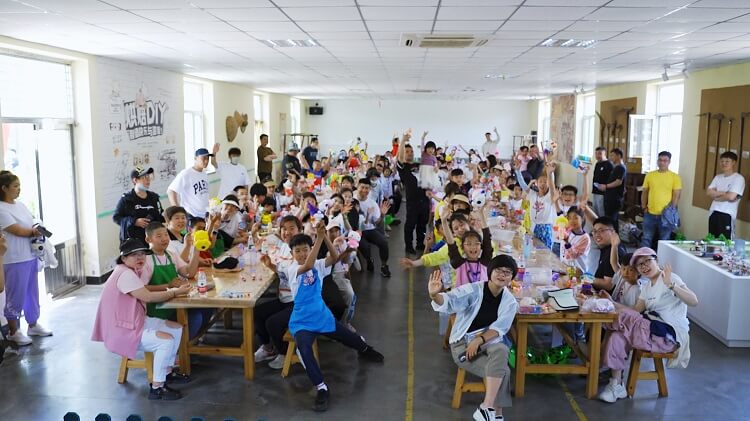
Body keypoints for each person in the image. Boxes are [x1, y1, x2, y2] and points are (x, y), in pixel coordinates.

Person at [279, 227, 384, 412]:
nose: (302, 254)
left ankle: (365, 349)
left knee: (347, 336)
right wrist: (319, 239)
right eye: (298, 251)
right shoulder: (292, 268)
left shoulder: (319, 264)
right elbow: (308, 266)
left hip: (321, 315)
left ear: (310, 248)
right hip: (302, 320)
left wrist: (325, 237)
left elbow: (335, 257)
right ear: (292, 253)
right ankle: (321, 388)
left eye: (305, 249)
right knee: (304, 349)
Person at [91, 238, 192, 401]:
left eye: (142, 254)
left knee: (176, 328)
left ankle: (167, 372)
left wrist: (173, 289)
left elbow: (146, 291)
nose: (140, 258)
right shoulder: (125, 274)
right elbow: (148, 297)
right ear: (124, 258)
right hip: (122, 330)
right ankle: (157, 388)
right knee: (165, 341)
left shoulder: (131, 270)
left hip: (134, 321)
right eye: (134, 255)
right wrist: (175, 292)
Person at [597, 248, 698, 403]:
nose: (644, 266)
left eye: (647, 261)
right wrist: (611, 302)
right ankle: (616, 385)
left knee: (623, 319)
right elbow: (635, 310)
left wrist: (671, 285)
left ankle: (601, 336)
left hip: (669, 335)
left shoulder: (670, 278)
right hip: (650, 331)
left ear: (656, 260)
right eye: (639, 265)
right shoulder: (646, 287)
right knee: (617, 337)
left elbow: (694, 301)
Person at [429, 255, 519, 421]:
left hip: (486, 343)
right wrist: (435, 295)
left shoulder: (510, 302)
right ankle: (497, 415)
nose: (502, 275)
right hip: (462, 345)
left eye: (507, 272)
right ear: (490, 271)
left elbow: (500, 328)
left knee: (501, 348)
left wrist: (479, 340)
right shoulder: (474, 290)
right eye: (498, 270)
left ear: (512, 277)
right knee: (503, 371)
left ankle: (486, 407)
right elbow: (450, 301)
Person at [0, 171, 52, 346]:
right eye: (15, 186)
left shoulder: (20, 205)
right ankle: (13, 331)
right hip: (13, 259)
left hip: (29, 255)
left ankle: (33, 324)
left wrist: (37, 226)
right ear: (4, 188)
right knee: (16, 294)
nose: (19, 189)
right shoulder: (1, 208)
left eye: (19, 185)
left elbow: (31, 222)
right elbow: (17, 230)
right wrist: (34, 231)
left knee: (32, 293)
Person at [397, 133, 430, 254]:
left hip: (424, 199)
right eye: (407, 152)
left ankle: (420, 244)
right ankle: (409, 246)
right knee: (410, 224)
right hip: (413, 202)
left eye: (411, 151)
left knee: (422, 224)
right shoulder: (403, 168)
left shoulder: (418, 165)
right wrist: (403, 141)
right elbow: (399, 158)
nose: (410, 153)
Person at [641, 151, 682, 249]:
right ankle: (644, 257)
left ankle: (662, 258)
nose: (662, 162)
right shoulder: (650, 175)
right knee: (646, 238)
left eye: (665, 160)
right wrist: (643, 207)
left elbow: (676, 195)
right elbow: (645, 192)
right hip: (650, 213)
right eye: (660, 160)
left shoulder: (675, 177)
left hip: (666, 215)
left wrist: (671, 210)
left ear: (669, 162)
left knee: (664, 240)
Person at [113, 166, 165, 244]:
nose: (148, 180)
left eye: (148, 177)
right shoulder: (127, 199)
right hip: (134, 241)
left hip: (152, 240)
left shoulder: (154, 197)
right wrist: (134, 221)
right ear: (135, 180)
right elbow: (116, 218)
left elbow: (159, 216)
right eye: (144, 178)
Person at [355, 178, 392, 277]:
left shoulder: (372, 203)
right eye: (362, 187)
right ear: (357, 186)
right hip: (357, 231)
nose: (364, 190)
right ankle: (369, 259)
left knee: (383, 242)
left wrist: (382, 215)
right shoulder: (352, 200)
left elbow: (377, 223)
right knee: (365, 246)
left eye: (367, 188)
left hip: (370, 229)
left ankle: (384, 266)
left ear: (370, 189)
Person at [707, 151, 745, 238]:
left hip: (727, 214)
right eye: (722, 161)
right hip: (713, 212)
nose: (724, 163)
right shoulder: (718, 177)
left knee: (726, 241)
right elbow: (709, 192)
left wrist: (716, 196)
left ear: (733, 162)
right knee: (712, 240)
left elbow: (731, 197)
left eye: (727, 161)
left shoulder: (738, 178)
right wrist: (724, 193)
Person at [167, 148, 212, 221]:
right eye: (203, 158)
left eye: (207, 158)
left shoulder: (204, 174)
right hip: (191, 216)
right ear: (195, 158)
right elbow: (171, 191)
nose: (206, 161)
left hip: (204, 214)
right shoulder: (186, 173)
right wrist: (177, 211)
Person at [591, 216, 627, 292]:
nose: (597, 234)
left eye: (601, 231)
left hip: (606, 297)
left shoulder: (613, 252)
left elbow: (608, 285)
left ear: (613, 232)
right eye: (594, 231)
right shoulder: (612, 246)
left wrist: (585, 278)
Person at [595, 148, 627, 231]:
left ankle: (611, 236)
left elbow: (618, 182)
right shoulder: (616, 167)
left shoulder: (621, 168)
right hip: (610, 197)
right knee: (612, 220)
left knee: (611, 220)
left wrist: (606, 186)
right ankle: (611, 235)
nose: (610, 157)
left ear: (618, 156)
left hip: (614, 199)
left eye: (612, 155)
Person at [591, 146, 613, 219]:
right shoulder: (597, 163)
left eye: (600, 153)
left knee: (601, 212)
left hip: (603, 193)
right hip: (595, 191)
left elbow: (612, 179)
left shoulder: (609, 165)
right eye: (596, 154)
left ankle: (603, 225)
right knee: (595, 211)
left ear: (604, 154)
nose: (597, 156)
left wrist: (606, 187)